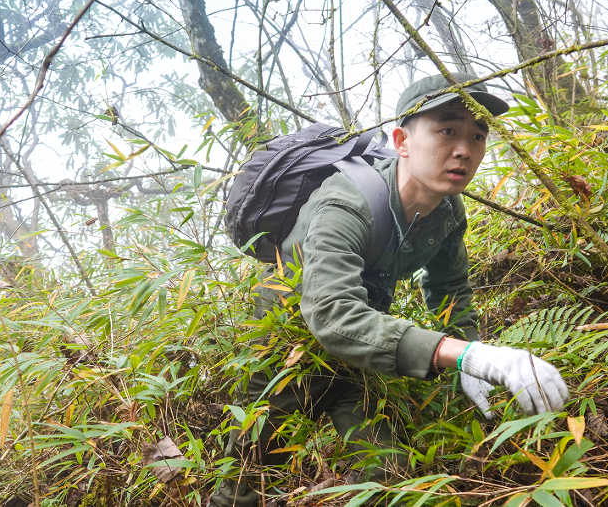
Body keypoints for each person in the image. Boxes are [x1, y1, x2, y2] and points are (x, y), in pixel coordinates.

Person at [208, 73, 569, 507]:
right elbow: (333, 315)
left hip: (366, 346)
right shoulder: (344, 204)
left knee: (387, 471)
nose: (464, 150)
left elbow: (450, 288)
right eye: (448, 130)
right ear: (402, 141)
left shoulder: (447, 208)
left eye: (478, 135)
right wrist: (471, 356)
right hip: (285, 348)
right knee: (248, 477)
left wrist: (471, 359)